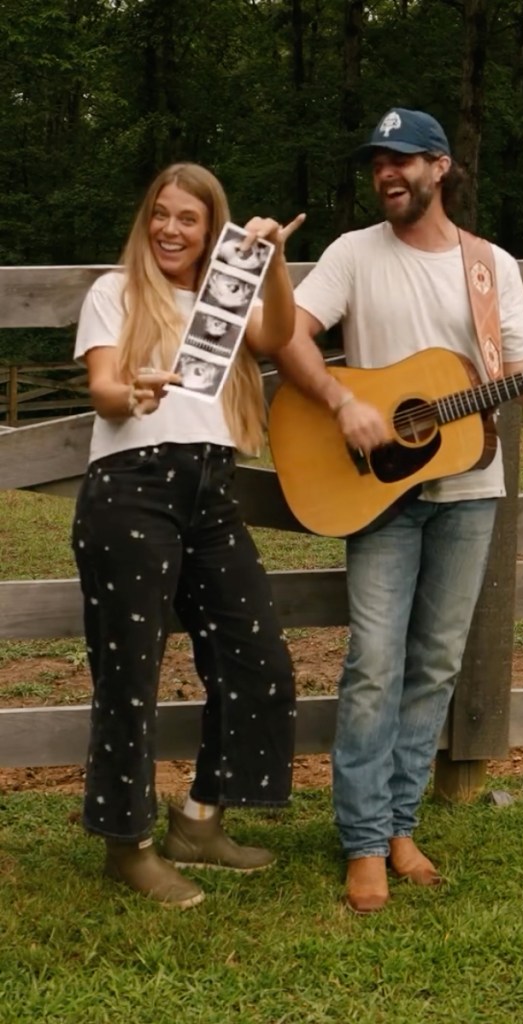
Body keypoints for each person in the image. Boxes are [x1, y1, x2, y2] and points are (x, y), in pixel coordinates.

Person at [273, 108, 523, 914]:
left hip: (468, 491)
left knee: (435, 668)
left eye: (402, 160)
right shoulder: (353, 253)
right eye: (378, 162)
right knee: (373, 666)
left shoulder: (491, 267)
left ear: (440, 167)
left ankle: (398, 826)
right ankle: (359, 842)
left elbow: (520, 372)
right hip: (377, 491)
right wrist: (342, 400)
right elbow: (287, 337)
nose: (387, 173)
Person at [71, 162, 305, 909]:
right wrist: (130, 391)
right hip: (130, 489)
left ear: (211, 230)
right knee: (129, 675)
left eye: (189, 219)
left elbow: (278, 333)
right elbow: (104, 385)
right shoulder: (115, 292)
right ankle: (126, 844)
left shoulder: (223, 298)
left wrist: (269, 262)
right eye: (160, 215)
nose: (171, 229)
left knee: (259, 660)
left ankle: (200, 820)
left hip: (211, 492)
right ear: (146, 220)